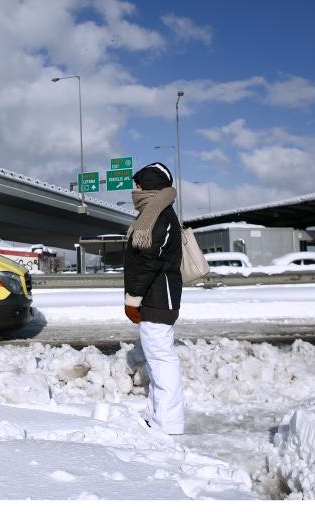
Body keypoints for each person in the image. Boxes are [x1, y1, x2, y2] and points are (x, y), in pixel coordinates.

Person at [123, 162, 185, 435]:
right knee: (157, 358)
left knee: (161, 359)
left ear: (148, 185)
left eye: (137, 185)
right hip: (155, 296)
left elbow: (149, 262)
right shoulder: (154, 213)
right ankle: (156, 414)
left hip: (158, 298)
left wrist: (133, 298)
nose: (134, 191)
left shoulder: (159, 216)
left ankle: (168, 422)